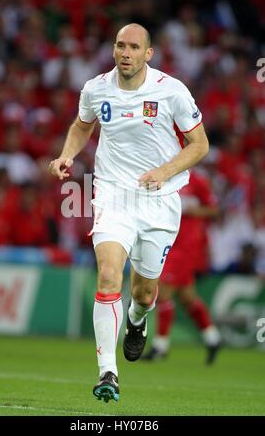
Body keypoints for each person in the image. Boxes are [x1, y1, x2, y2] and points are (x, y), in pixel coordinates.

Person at [49, 23, 210, 403]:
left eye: (134, 47)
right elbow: (81, 125)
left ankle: (137, 320)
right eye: (120, 45)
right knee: (108, 275)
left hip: (159, 199)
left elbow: (200, 144)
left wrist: (164, 171)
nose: (125, 53)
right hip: (113, 196)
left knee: (145, 290)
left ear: (148, 54)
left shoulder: (171, 90)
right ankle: (108, 373)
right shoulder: (96, 88)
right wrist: (67, 155)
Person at [142, 169, 222, 364]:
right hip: (167, 239)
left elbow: (213, 209)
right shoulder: (163, 175)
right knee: (187, 297)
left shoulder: (197, 180)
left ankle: (161, 346)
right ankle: (213, 338)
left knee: (164, 292)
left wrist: (193, 211)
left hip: (185, 246)